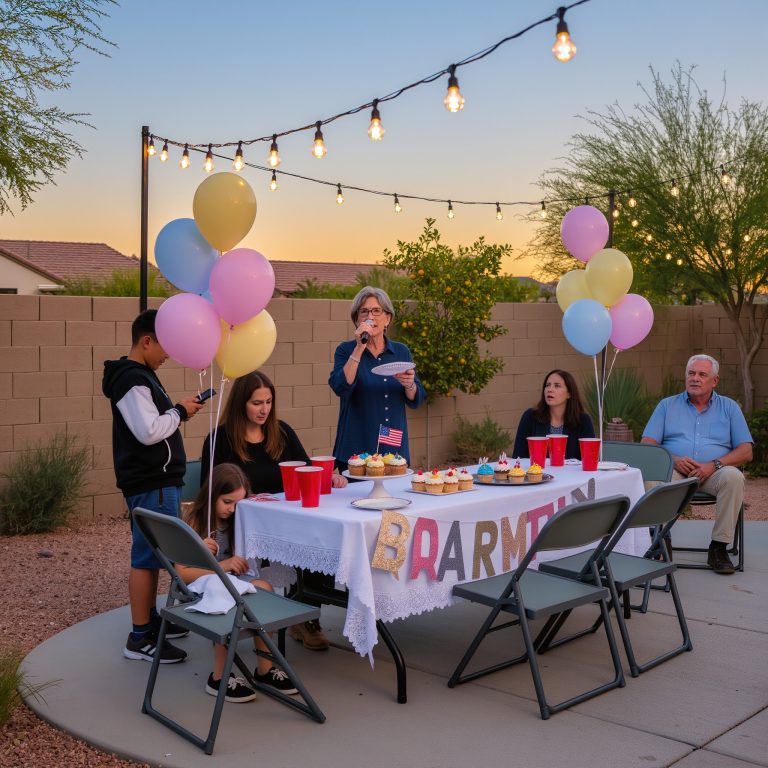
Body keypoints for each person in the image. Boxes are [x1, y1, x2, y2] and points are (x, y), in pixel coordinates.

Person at [201, 370, 346, 651]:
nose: (264, 409)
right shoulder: (220, 439)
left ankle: (305, 616)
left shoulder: (281, 431)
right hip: (241, 525)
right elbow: (211, 491)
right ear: (241, 403)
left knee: (318, 536)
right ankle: (264, 621)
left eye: (268, 402)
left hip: (284, 520)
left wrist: (329, 477)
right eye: (257, 403)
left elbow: (306, 468)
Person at [102, 309, 204, 663]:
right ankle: (140, 637)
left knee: (154, 556)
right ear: (147, 340)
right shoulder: (131, 379)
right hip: (152, 483)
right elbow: (147, 432)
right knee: (147, 558)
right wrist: (179, 412)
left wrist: (177, 413)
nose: (169, 355)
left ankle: (149, 620)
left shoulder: (141, 376)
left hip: (158, 482)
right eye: (165, 347)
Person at [179, 463, 299, 701]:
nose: (232, 509)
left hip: (232, 580)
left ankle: (264, 669)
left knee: (266, 590)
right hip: (204, 584)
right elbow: (182, 573)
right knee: (230, 600)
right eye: (227, 502)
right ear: (212, 495)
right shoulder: (195, 521)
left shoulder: (237, 519)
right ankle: (218, 677)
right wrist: (214, 561)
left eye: (238, 503)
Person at [642, 354, 753, 575]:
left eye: (702, 374)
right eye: (691, 373)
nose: (695, 378)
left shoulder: (729, 408)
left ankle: (719, 548)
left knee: (734, 477)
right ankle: (661, 543)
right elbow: (647, 444)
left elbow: (746, 451)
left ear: (715, 380)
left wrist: (714, 464)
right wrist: (674, 459)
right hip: (675, 471)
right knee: (652, 477)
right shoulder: (667, 406)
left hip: (714, 473)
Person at [329, 286, 425, 471]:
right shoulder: (345, 350)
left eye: (376, 310)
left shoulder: (401, 351)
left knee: (392, 498)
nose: (370, 316)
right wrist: (359, 347)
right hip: (356, 446)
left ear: (387, 318)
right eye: (364, 311)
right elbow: (340, 387)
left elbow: (417, 399)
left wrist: (410, 385)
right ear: (357, 319)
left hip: (393, 447)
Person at [511, 369, 595, 460]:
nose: (550, 390)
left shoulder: (583, 420)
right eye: (547, 385)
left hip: (570, 474)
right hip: (537, 473)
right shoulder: (530, 417)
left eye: (557, 386)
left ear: (569, 394)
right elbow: (518, 457)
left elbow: (591, 460)